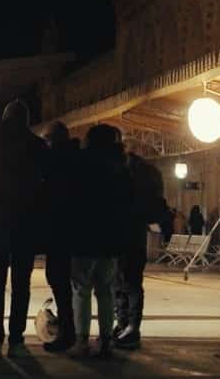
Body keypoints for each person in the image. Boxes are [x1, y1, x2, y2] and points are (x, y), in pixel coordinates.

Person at [0, 99, 47, 356]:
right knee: (21, 284)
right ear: (26, 120)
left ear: (5, 118)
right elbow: (46, 188)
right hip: (25, 225)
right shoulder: (38, 146)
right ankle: (16, 339)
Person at [68, 123, 132, 359]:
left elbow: (70, 198)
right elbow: (127, 203)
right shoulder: (121, 167)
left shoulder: (79, 164)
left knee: (81, 290)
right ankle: (105, 342)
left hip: (83, 235)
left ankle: (81, 340)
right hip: (110, 238)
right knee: (105, 291)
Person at [113, 150, 167, 350]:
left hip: (121, 234)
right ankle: (128, 325)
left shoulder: (126, 176)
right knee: (130, 282)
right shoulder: (148, 177)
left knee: (123, 283)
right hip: (136, 235)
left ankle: (126, 324)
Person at [38, 122, 81, 353]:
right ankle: (76, 332)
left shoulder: (52, 161)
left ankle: (68, 332)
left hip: (58, 230)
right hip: (76, 229)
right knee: (75, 285)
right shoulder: (78, 159)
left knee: (59, 281)